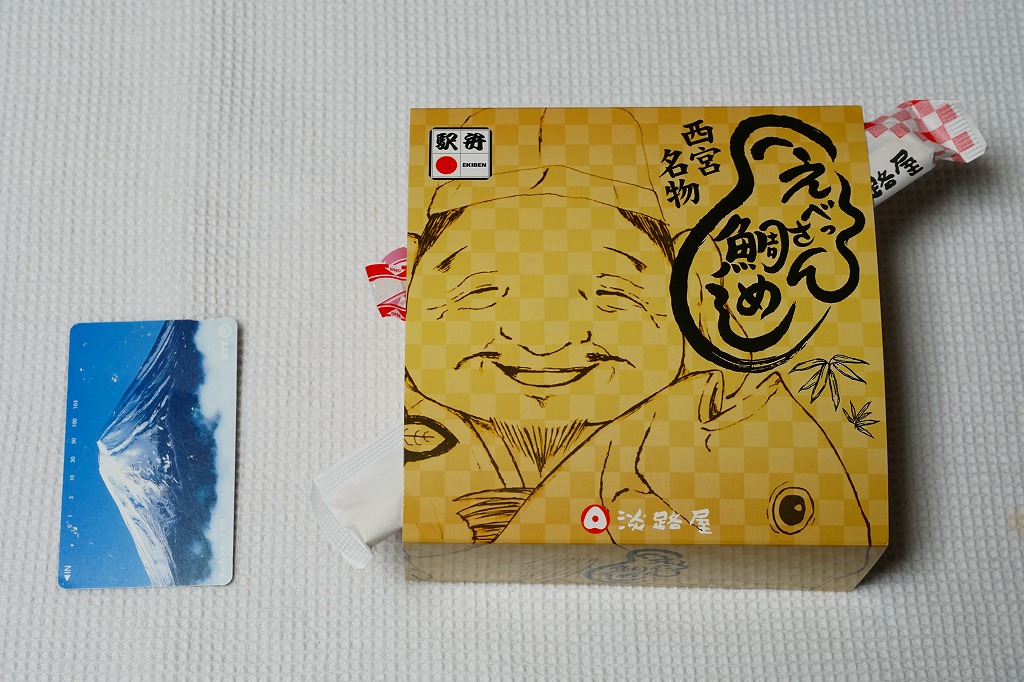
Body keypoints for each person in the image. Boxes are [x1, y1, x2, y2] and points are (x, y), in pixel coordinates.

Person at [403, 109, 870, 551]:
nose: (543, 342)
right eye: (480, 291)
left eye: (612, 292)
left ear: (693, 289)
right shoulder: (400, 453)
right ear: (410, 279)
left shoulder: (711, 419)